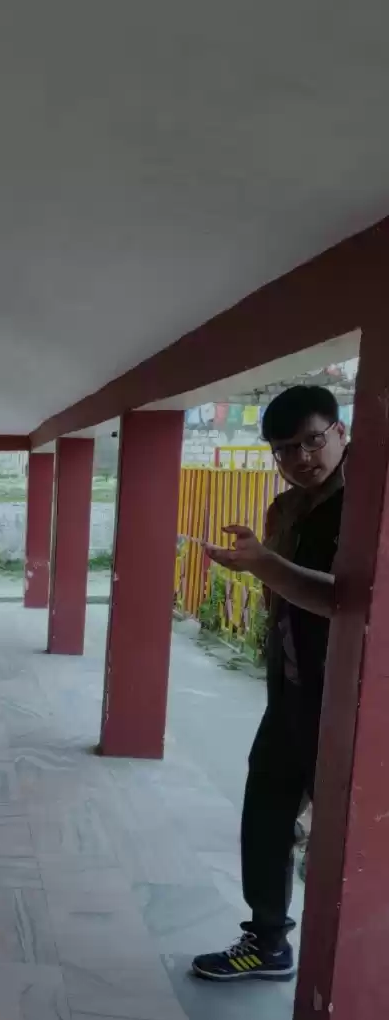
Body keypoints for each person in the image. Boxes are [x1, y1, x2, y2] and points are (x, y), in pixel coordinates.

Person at [191, 385, 346, 982]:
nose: (301, 457)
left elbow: (344, 600)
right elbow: (284, 600)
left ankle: (346, 981)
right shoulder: (284, 510)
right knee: (266, 813)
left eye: (312, 440)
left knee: (344, 838)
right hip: (292, 687)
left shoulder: (365, 508)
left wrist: (265, 564)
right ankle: (267, 941)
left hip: (346, 701)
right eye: (285, 449)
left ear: (340, 433)